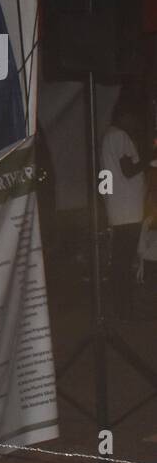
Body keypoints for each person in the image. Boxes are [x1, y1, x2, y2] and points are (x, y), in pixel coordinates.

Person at [99, 102, 151, 319]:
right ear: (125, 115)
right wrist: (149, 158)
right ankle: (124, 309)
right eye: (134, 118)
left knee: (120, 260)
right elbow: (128, 170)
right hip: (128, 210)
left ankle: (122, 306)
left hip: (118, 208)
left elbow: (105, 181)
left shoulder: (107, 137)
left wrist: (108, 202)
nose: (136, 124)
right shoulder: (120, 136)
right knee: (124, 260)